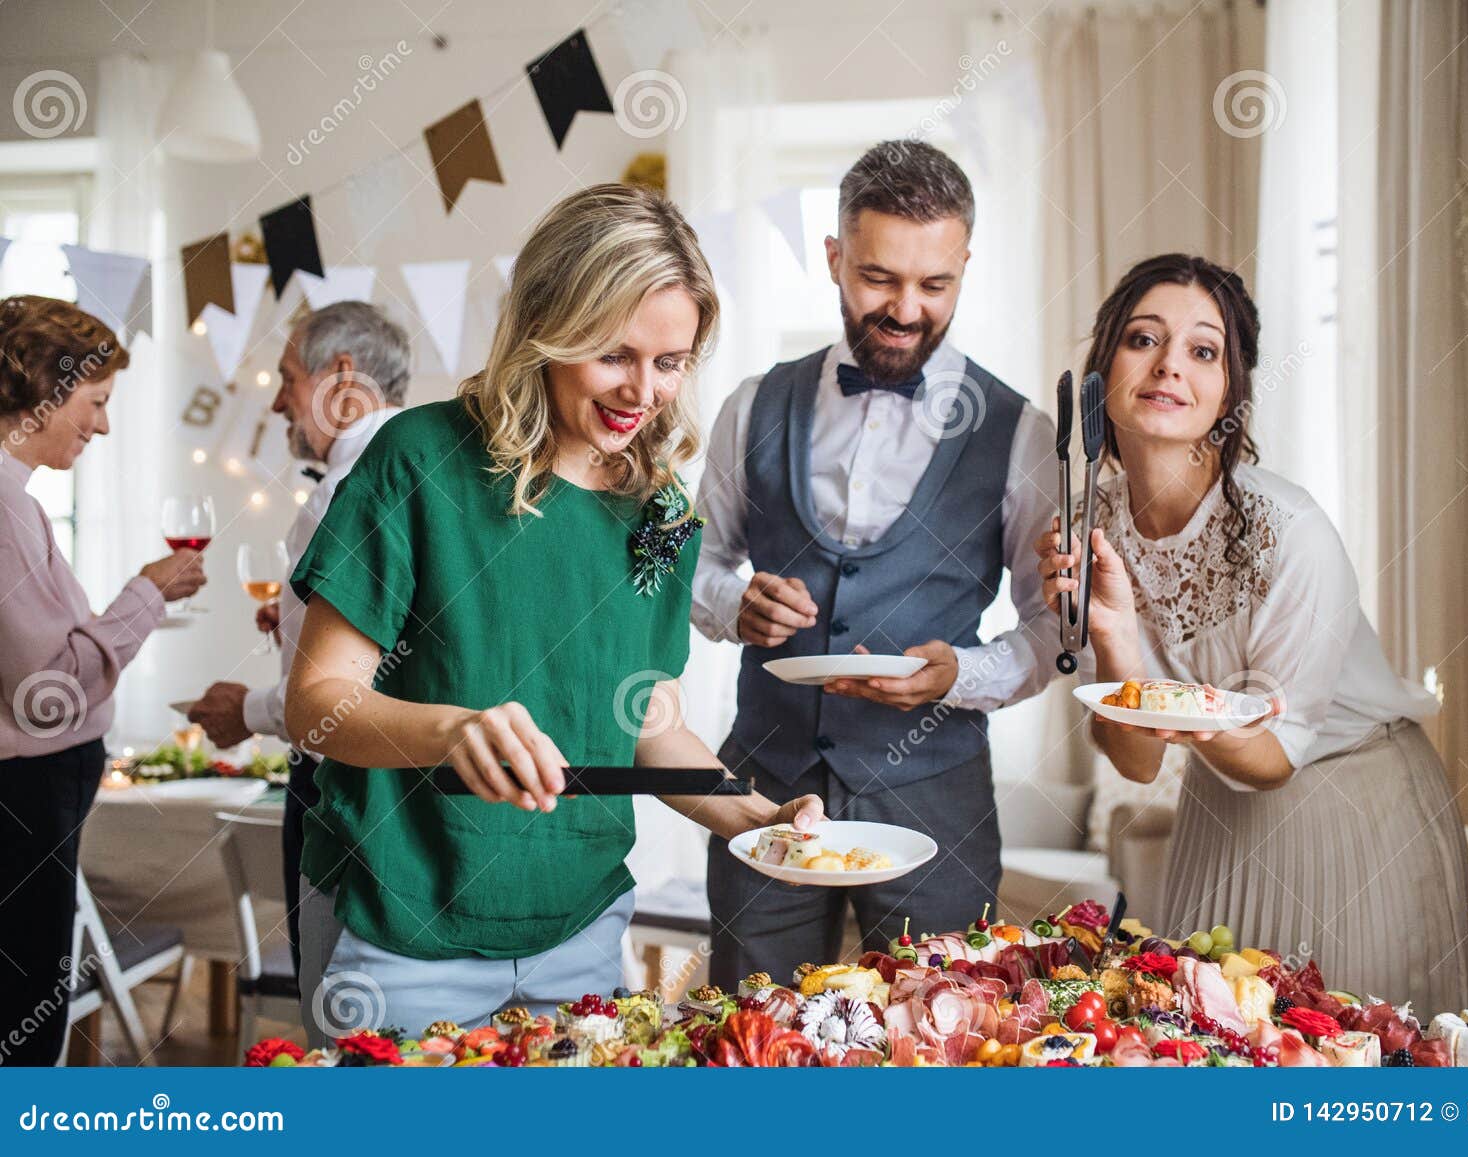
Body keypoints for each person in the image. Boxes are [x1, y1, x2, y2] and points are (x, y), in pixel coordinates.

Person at [283, 184, 823, 1043]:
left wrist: (761, 819)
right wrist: (451, 731)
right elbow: (315, 702)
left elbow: (647, 722)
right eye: (614, 354)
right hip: (402, 931)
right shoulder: (417, 460)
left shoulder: (665, 512)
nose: (643, 391)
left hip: (581, 930)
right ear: (548, 326)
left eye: (671, 361)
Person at [1033, 253, 1468, 1016]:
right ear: (1104, 366)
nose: (1171, 365)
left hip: (1352, 807)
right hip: (1217, 814)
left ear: (1230, 390)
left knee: (1339, 1061)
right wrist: (1115, 637)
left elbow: (1272, 758)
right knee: (1203, 1058)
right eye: (1144, 338)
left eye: (1204, 351)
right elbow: (1136, 762)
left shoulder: (1289, 530)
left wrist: (1165, 700)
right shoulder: (1087, 522)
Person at [693, 141, 1059, 988]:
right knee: (751, 1030)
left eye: (935, 285)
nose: (904, 309)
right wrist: (732, 603)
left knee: (945, 1032)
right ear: (832, 259)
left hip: (935, 793)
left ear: (965, 264)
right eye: (878, 278)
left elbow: (1054, 631)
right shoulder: (752, 403)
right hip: (763, 783)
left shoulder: (1023, 431)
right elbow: (690, 563)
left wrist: (957, 676)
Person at [0, 296, 206, 1065]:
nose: (102, 425)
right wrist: (147, 590)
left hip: (29, 795)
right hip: (22, 798)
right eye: (95, 403)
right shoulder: (4, 509)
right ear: (43, 391)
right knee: (23, 1018)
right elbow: (49, 690)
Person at [187, 301, 409, 981]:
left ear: (339, 374)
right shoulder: (429, 471)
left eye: (287, 377)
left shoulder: (343, 492)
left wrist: (244, 710)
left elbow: (328, 704)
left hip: (339, 788)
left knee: (335, 1002)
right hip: (415, 794)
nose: (280, 400)